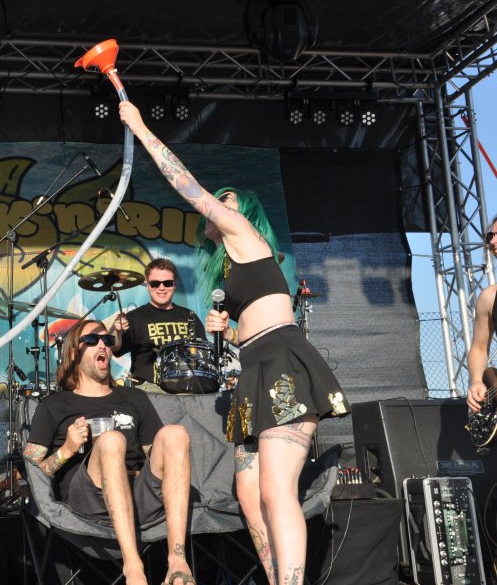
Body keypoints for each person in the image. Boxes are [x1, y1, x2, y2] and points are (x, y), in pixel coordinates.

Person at [120, 101, 350, 585]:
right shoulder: (232, 267)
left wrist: (140, 128)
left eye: (227, 200)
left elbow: (186, 185)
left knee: (276, 490)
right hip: (253, 371)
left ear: (242, 213)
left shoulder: (244, 233)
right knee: (248, 490)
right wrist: (226, 331)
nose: (218, 205)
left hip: (281, 364)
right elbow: (245, 333)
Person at [23, 319, 194, 585]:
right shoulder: (53, 406)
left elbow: (159, 454)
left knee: (175, 434)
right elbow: (33, 474)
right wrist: (66, 450)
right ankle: (133, 567)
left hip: (137, 497)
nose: (102, 344)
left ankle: (177, 561)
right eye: (92, 340)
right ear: (73, 352)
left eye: (108, 340)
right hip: (88, 502)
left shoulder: (134, 398)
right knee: (112, 440)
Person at [110, 257, 207, 390]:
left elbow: (203, 354)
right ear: (147, 285)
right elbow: (115, 348)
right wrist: (117, 331)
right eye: (155, 283)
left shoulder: (190, 316)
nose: (161, 288)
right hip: (148, 391)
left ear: (174, 284)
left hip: (187, 389)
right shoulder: (134, 317)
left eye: (167, 283)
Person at [468, 216, 497, 413]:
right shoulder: (489, 297)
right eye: (490, 236)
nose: (492, 241)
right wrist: (477, 380)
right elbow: (479, 347)